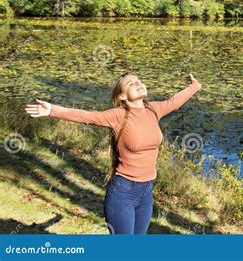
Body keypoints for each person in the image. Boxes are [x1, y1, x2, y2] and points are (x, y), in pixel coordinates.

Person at [24, 72, 202, 234]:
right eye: (131, 83)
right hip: (123, 192)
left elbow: (174, 102)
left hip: (146, 191)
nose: (138, 83)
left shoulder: (154, 109)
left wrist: (194, 87)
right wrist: (52, 110)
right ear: (122, 96)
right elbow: (87, 117)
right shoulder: (118, 115)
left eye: (139, 81)